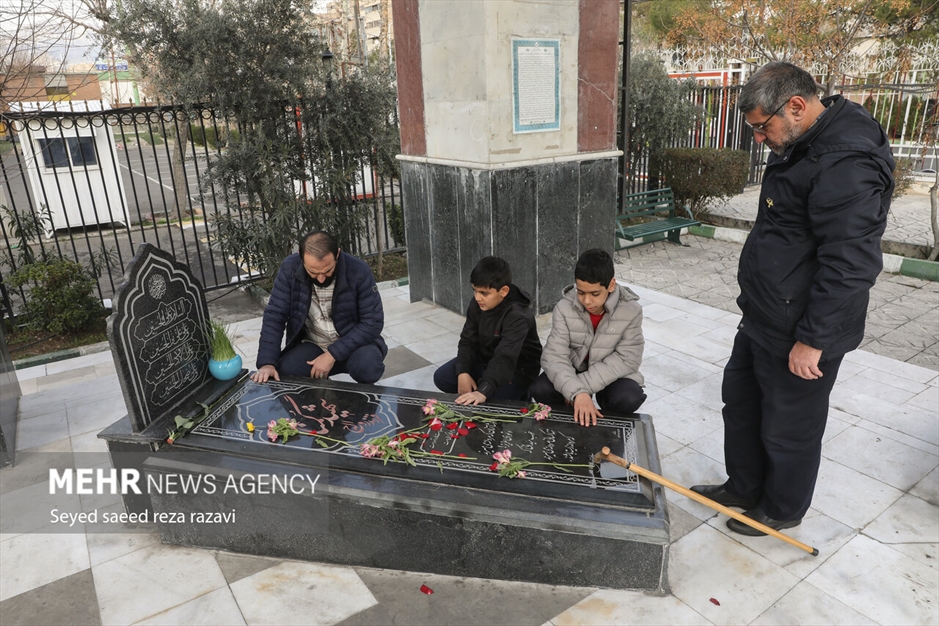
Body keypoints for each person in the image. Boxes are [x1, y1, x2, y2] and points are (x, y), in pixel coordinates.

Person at [691, 62, 895, 537]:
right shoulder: (804, 142)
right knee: (740, 405)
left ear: (797, 106)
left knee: (788, 428)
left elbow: (850, 264)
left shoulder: (846, 162)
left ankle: (781, 509)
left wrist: (813, 340)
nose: (759, 138)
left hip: (802, 330)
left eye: (762, 127)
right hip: (765, 316)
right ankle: (744, 486)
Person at [251, 230, 386, 385]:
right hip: (313, 343)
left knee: (368, 367)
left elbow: (373, 322)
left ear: (337, 254)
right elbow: (275, 316)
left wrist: (331, 355)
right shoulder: (290, 268)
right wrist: (267, 362)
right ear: (301, 258)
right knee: (285, 372)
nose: (321, 278)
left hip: (352, 343)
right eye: (313, 272)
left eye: (328, 270)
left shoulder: (358, 270)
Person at [531, 248, 646, 427]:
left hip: (609, 375)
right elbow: (554, 356)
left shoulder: (631, 310)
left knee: (628, 397)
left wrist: (579, 390)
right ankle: (568, 424)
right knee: (541, 389)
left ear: (611, 285)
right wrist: (577, 392)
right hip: (574, 367)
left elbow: (628, 358)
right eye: (581, 292)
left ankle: (606, 428)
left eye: (594, 294)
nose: (586, 301)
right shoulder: (564, 308)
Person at [433, 256, 542, 406]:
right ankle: (485, 382)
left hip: (517, 369)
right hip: (485, 358)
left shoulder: (518, 315)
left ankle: (522, 394)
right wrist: (463, 371)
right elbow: (467, 339)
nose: (478, 298)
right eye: (475, 291)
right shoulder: (478, 303)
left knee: (491, 402)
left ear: (503, 291)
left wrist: (483, 391)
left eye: (484, 293)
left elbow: (505, 357)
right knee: (442, 378)